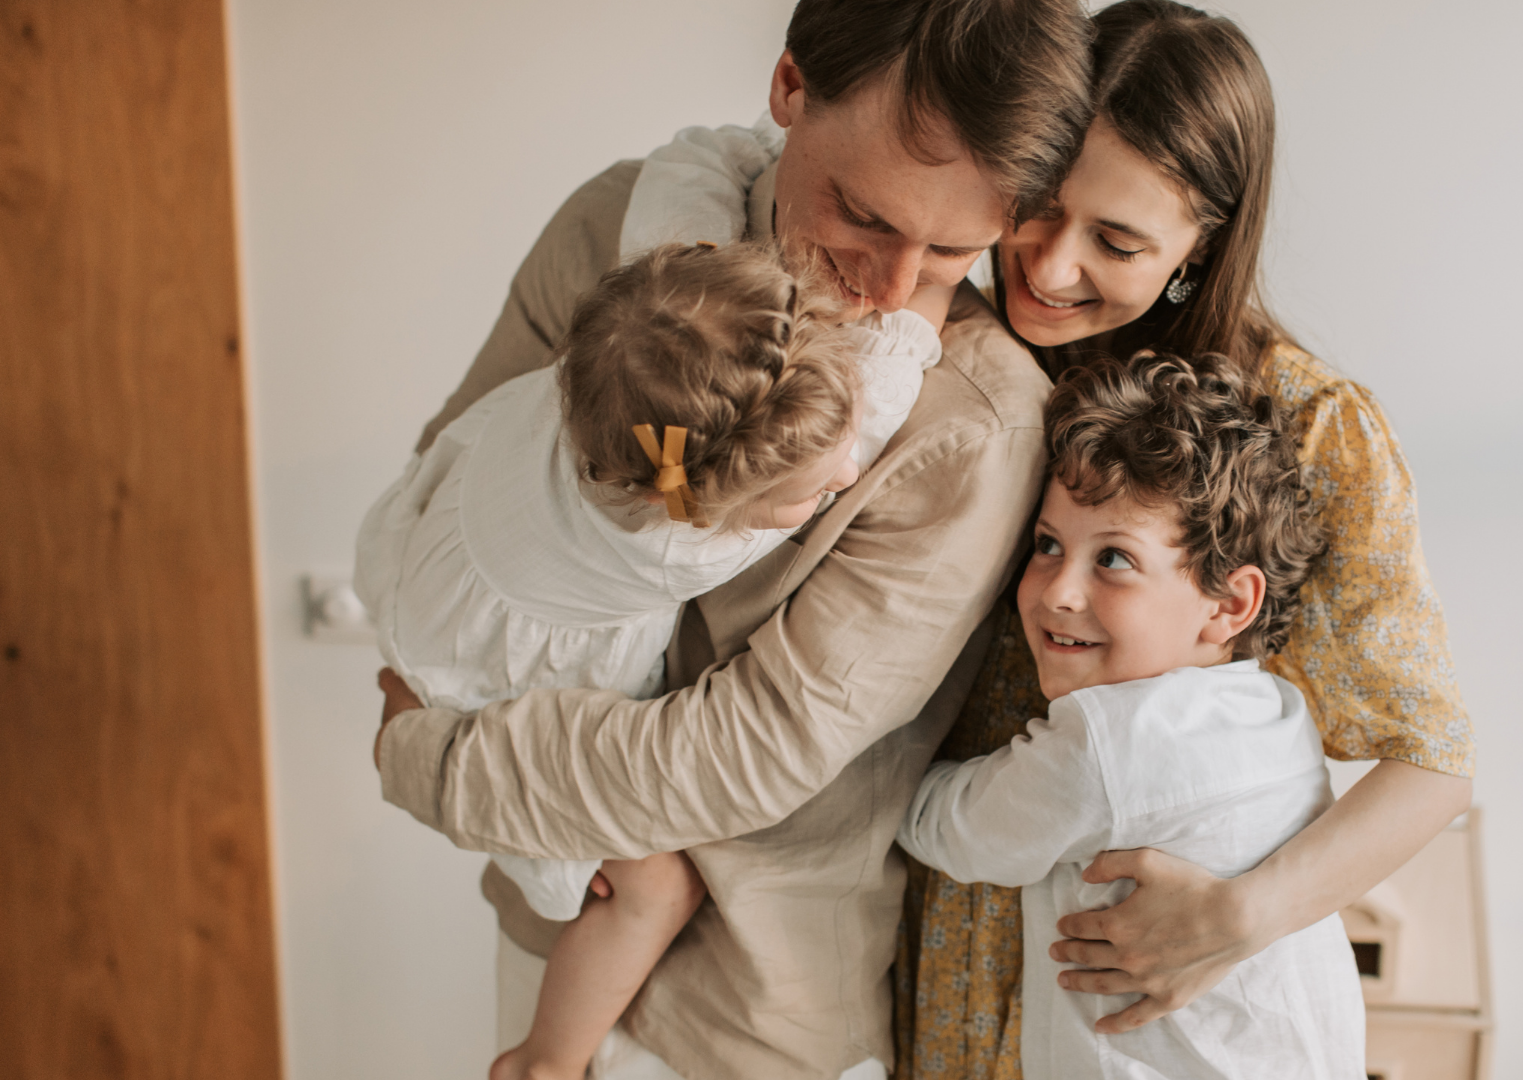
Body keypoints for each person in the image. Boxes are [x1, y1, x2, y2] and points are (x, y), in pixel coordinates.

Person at [371, 0, 1093, 1077]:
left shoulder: (975, 426)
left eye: (953, 251)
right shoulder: (611, 227)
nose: (891, 290)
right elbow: (462, 479)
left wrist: (432, 758)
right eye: (864, 216)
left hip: (749, 1017)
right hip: (546, 923)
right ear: (790, 87)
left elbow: (754, 748)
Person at [897, 2, 1475, 1074]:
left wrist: (1238, 918)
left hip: (1137, 990)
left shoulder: (1307, 428)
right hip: (942, 955)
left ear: (1199, 246)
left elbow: (1431, 767)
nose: (1050, 267)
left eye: (1116, 241)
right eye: (1038, 206)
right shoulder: (944, 353)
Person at [355, 239, 950, 1080]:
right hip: (487, 676)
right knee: (655, 887)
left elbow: (685, 181)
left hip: (431, 582)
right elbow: (886, 395)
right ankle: (544, 1061)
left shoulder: (621, 358)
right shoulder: (675, 541)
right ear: (704, 504)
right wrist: (940, 286)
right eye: (815, 492)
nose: (849, 470)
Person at [898, 352, 1365, 1079]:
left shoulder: (1112, 742)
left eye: (1113, 559)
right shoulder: (1276, 712)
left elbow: (953, 830)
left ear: (1229, 604)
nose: (1058, 591)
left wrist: (880, 763)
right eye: (1048, 545)